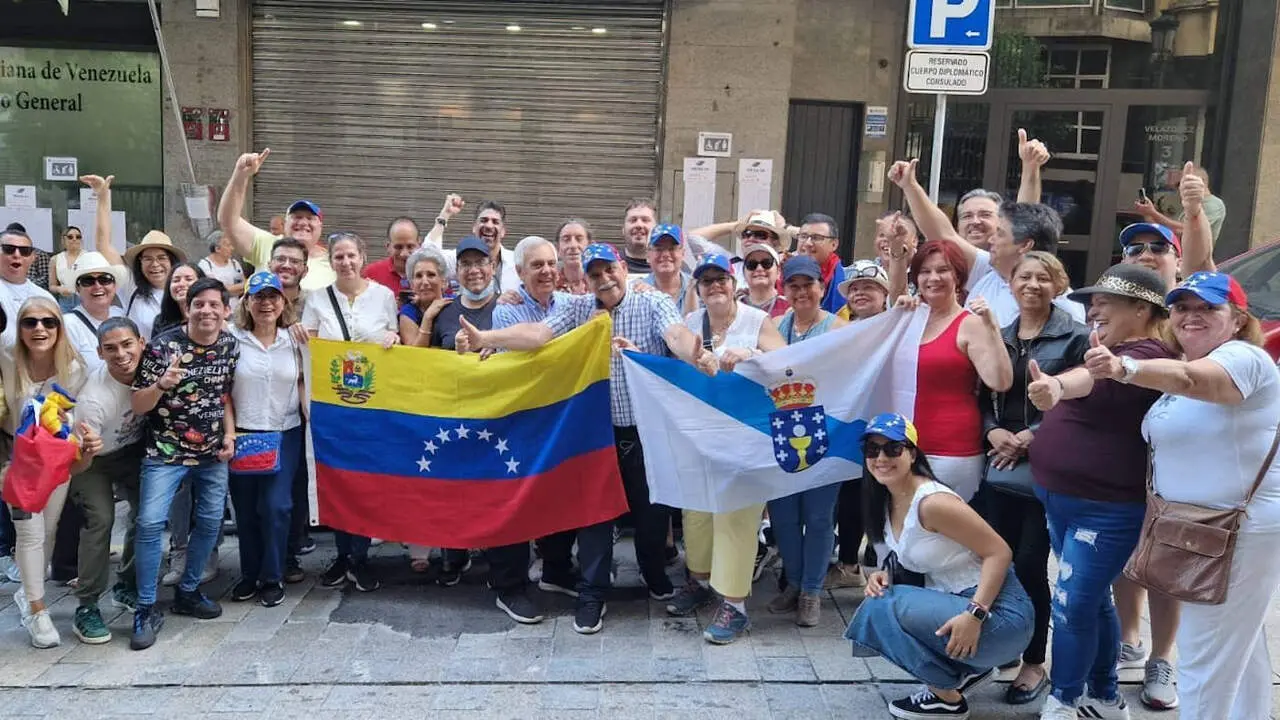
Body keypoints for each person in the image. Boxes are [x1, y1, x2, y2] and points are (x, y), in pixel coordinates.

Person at [456, 242, 718, 635]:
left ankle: (652, 571)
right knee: (596, 515)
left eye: (609, 270)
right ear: (587, 279)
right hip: (596, 433)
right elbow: (538, 333)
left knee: (651, 514)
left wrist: (694, 354)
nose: (604, 279)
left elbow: (677, 334)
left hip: (646, 431)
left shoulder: (651, 302)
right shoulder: (578, 308)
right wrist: (486, 338)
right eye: (594, 274)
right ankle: (592, 594)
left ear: (623, 269)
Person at [1085, 271, 1279, 719]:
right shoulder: (1181, 365)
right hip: (1191, 527)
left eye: (1208, 307)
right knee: (1239, 649)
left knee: (1204, 657)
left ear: (1236, 319)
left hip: (1235, 532)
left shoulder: (1242, 358)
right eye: (1182, 307)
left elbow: (1195, 381)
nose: (1192, 316)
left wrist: (1125, 368)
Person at [1025, 263, 1175, 719]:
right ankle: (1105, 696)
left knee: (1072, 605)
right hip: (1063, 498)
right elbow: (1085, 378)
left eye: (1106, 301)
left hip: (1106, 510)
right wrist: (1053, 389)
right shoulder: (1110, 348)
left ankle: (1064, 699)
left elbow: (1096, 377)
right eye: (1092, 300)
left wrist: (1060, 384)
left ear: (1141, 309)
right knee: (1093, 601)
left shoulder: (1145, 357)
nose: (1094, 308)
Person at [844, 413, 1032, 720]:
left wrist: (975, 613)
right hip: (961, 602)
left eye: (893, 449)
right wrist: (883, 574)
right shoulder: (888, 498)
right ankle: (965, 671)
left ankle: (946, 696)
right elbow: (914, 553)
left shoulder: (932, 502)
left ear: (912, 453)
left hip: (1000, 615)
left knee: (879, 608)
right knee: (883, 596)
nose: (881, 458)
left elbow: (999, 552)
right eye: (872, 450)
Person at [977, 251, 1089, 705]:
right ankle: (1004, 643)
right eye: (1024, 276)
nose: (1032, 285)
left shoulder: (1076, 337)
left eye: (1043, 278)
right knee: (994, 561)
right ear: (1011, 284)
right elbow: (982, 394)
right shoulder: (999, 335)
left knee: (1028, 563)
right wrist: (994, 431)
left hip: (1047, 467)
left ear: (1057, 284)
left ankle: (1034, 661)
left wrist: (1029, 436)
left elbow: (1082, 402)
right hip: (998, 466)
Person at [664, 252, 786, 644]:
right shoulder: (691, 322)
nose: (714, 286)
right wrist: (694, 354)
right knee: (696, 511)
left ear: (735, 285)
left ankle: (735, 605)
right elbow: (676, 347)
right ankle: (699, 581)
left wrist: (752, 355)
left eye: (721, 279)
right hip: (700, 434)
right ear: (697, 288)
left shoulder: (756, 321)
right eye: (706, 281)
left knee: (736, 516)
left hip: (746, 435)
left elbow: (787, 361)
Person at [130, 277, 240, 651]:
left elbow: (224, 395)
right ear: (187, 308)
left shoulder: (230, 345)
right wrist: (161, 384)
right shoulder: (164, 347)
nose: (206, 310)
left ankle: (189, 591)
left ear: (226, 310)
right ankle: (145, 607)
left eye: (214, 304)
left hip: (212, 453)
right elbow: (138, 405)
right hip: (164, 452)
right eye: (199, 304)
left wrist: (230, 435)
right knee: (148, 524)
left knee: (211, 522)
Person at [302, 232, 397, 593]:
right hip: (333, 408)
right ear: (331, 261)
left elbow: (393, 339)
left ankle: (360, 557)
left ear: (363, 257)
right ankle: (344, 554)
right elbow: (308, 348)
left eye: (351, 255)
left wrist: (393, 340)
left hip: (373, 408)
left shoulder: (383, 297)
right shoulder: (316, 299)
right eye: (338, 256)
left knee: (366, 481)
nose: (345, 262)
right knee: (338, 480)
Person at [4, 297, 95, 648]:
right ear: (20, 328)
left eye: (48, 322)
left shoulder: (75, 369)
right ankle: (38, 610)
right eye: (30, 322)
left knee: (49, 530)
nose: (39, 329)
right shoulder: (7, 359)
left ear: (59, 327)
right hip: (17, 463)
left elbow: (78, 420)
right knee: (28, 533)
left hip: (57, 463)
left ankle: (30, 592)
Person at [766, 255, 848, 626]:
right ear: (784, 290)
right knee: (783, 517)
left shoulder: (837, 328)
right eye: (794, 286)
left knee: (818, 517)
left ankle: (812, 591)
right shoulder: (772, 327)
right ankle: (794, 584)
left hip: (824, 434)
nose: (802, 292)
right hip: (779, 435)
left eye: (808, 285)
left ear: (822, 287)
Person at [899, 241, 1012, 503]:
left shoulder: (970, 323)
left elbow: (1000, 381)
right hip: (904, 446)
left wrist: (992, 328)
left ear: (958, 277)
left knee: (948, 537)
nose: (933, 278)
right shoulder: (907, 318)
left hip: (951, 450)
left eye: (943, 270)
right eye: (925, 271)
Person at [67, 317, 148, 644]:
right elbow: (77, 462)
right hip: (92, 459)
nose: (121, 354)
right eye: (110, 348)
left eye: (127, 344)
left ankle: (126, 584)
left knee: (148, 515)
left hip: (132, 451)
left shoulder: (152, 369)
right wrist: (88, 451)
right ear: (100, 353)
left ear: (141, 343)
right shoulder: (94, 399)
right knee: (100, 519)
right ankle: (86, 605)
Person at [227, 272, 304, 609]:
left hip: (285, 431)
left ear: (283, 301)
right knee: (245, 510)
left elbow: (307, 380)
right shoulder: (231, 339)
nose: (266, 303)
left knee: (276, 507)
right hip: (243, 432)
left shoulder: (296, 339)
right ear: (247, 301)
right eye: (258, 297)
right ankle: (249, 574)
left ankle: (272, 576)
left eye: (273, 296)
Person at [824, 259, 893, 593]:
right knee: (851, 494)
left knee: (888, 496)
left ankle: (888, 569)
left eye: (869, 287)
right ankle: (849, 563)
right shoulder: (839, 326)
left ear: (885, 293)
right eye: (855, 288)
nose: (861, 293)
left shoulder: (900, 323)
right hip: (852, 421)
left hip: (892, 422)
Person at [81, 174, 184, 341]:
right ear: (140, 262)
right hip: (140, 365)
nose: (155, 264)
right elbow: (103, 245)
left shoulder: (185, 288)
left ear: (172, 261)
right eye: (148, 259)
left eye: (161, 258)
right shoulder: (131, 285)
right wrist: (103, 197)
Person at [217, 150, 335, 292]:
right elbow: (228, 220)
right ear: (285, 224)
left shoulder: (333, 261)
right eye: (297, 217)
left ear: (320, 227)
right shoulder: (265, 243)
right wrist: (241, 175)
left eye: (310, 218)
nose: (303, 223)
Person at [62, 253, 128, 371]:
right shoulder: (68, 325)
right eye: (88, 281)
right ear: (78, 288)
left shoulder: (122, 315)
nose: (97, 286)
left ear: (114, 285)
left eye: (105, 279)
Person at [430, 236, 496, 352]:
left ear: (493, 267)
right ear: (456, 270)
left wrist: (499, 345)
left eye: (480, 262)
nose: (474, 270)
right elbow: (432, 359)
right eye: (466, 264)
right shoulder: (443, 312)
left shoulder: (508, 308)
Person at [1134, 162, 1226, 242]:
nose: (1179, 188)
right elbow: (1166, 232)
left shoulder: (1213, 204)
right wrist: (1147, 214)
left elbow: (1184, 230)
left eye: (1182, 183)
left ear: (1199, 182)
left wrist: (1153, 213)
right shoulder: (1187, 204)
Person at [0, 226, 57, 348]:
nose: (16, 255)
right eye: (8, 249)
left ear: (33, 258)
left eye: (24, 251)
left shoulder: (45, 297)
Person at [397, 244, 452, 348]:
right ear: (412, 285)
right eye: (418, 276)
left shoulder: (455, 304)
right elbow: (416, 354)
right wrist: (427, 317)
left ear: (443, 282)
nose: (425, 281)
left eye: (431, 275)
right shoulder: (408, 312)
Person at [794, 213, 846, 314]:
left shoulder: (847, 282)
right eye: (803, 236)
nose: (808, 243)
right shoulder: (780, 272)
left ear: (834, 244)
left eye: (816, 238)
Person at [641, 224, 695, 314]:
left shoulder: (698, 288)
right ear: (648, 254)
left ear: (683, 253)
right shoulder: (636, 291)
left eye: (672, 249)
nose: (666, 254)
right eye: (659, 249)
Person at [363, 216, 421, 299]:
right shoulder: (371, 274)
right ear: (388, 247)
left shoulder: (431, 275)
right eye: (398, 247)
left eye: (410, 246)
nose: (404, 253)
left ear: (419, 245)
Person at [151, 263, 205, 339]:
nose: (181, 284)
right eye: (176, 280)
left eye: (189, 279)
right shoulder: (161, 321)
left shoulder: (211, 315)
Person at [736, 243, 789, 318]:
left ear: (778, 271)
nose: (759, 268)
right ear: (744, 272)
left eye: (766, 263)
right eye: (751, 264)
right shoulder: (733, 307)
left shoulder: (790, 307)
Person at [197, 231, 246, 300]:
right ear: (217, 249)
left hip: (236, 306)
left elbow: (245, 285)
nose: (232, 248)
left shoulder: (234, 263)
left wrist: (228, 290)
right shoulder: (205, 265)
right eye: (228, 245)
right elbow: (216, 289)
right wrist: (237, 288)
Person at [49, 226, 85, 311]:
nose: (74, 239)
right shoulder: (55, 259)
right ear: (63, 240)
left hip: (84, 299)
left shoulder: (88, 257)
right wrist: (59, 289)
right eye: (70, 237)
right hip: (65, 300)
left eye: (78, 237)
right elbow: (51, 286)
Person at [554, 219, 591, 295]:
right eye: (566, 239)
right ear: (557, 248)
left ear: (590, 246)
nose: (573, 245)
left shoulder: (599, 282)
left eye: (579, 239)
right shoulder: (549, 284)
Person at [621, 199, 658, 273]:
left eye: (645, 220)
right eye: (633, 220)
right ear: (623, 230)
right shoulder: (609, 266)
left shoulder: (673, 267)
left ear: (656, 229)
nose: (639, 225)